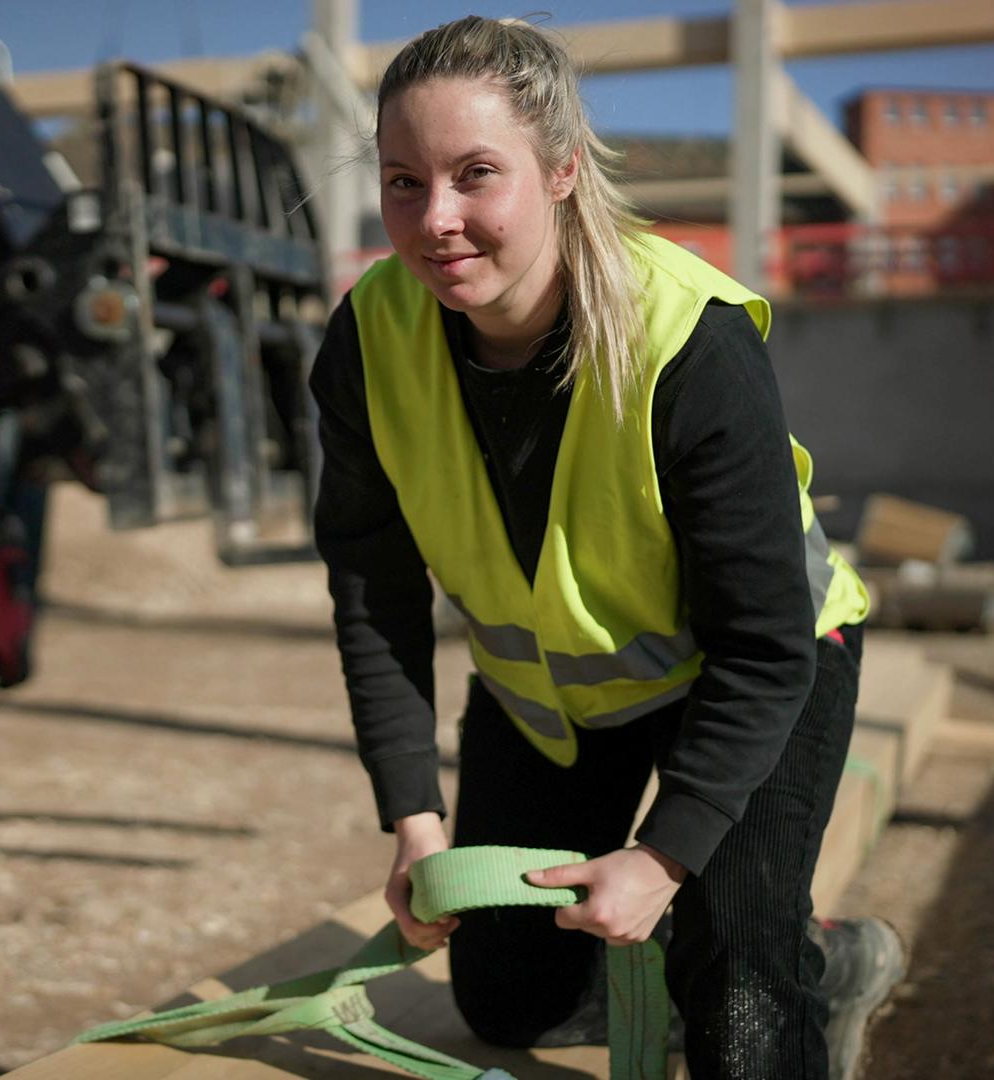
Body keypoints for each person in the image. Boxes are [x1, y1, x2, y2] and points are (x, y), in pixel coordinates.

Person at [309, 16, 905, 1079]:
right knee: (505, 997)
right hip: (553, 702)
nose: (435, 219)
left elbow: (766, 646)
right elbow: (373, 590)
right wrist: (414, 817)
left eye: (475, 175)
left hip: (761, 668)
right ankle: (735, 950)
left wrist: (667, 854)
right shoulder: (368, 339)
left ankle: (804, 961)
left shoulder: (689, 337)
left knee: (740, 1002)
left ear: (563, 171)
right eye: (404, 181)